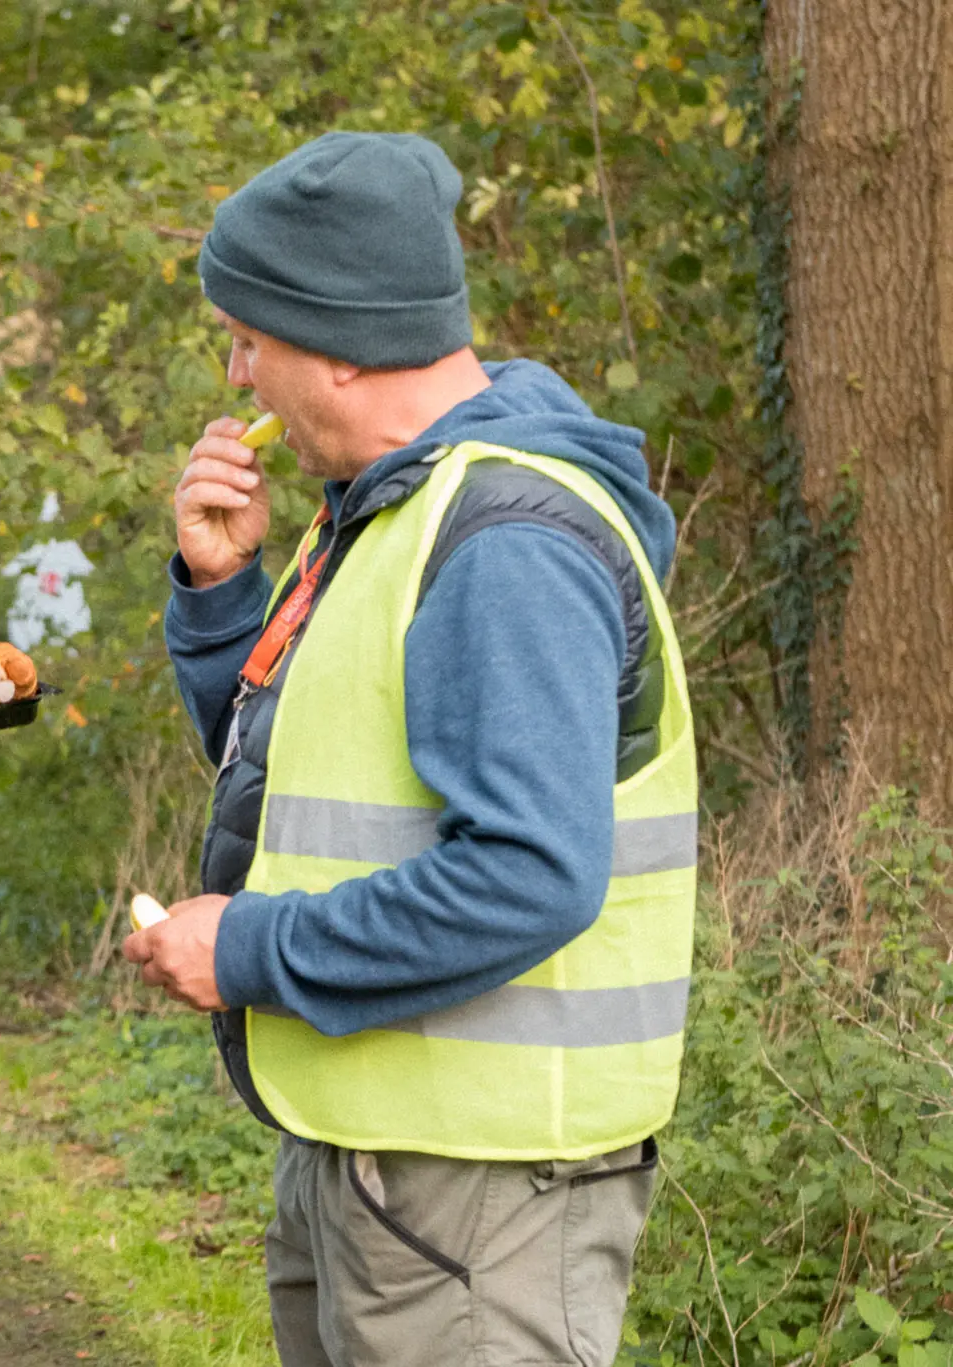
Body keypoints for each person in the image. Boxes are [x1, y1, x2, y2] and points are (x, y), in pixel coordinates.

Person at [122, 131, 697, 1367]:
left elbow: (528, 875)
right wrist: (221, 595)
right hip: (377, 1160)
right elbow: (289, 775)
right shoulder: (390, 505)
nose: (235, 375)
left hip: (475, 1195)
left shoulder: (502, 542)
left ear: (337, 341)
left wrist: (248, 946)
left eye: (248, 340)